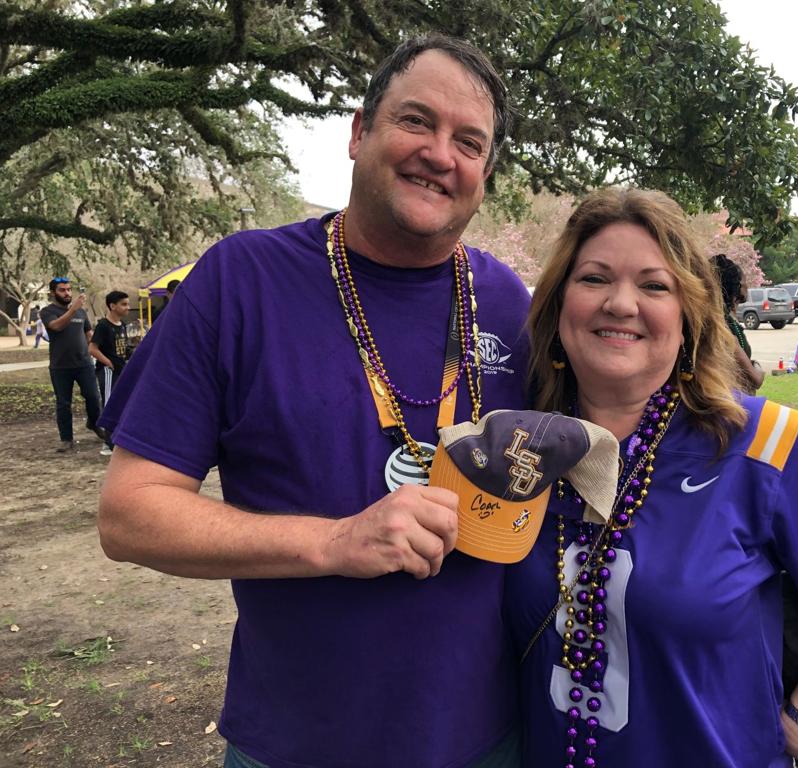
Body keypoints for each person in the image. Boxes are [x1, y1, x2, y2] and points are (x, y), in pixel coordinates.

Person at [96, 35, 530, 768]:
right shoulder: (241, 280)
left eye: (469, 141)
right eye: (416, 121)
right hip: (297, 743)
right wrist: (333, 543)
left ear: (484, 172)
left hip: (491, 738)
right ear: (360, 132)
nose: (439, 153)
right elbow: (129, 514)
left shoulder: (504, 298)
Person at [508, 188, 798, 768]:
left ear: (689, 313)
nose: (621, 303)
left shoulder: (764, 441)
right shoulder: (525, 444)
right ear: (557, 302)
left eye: (654, 285)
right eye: (594, 278)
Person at [40, 277, 105, 452]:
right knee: (63, 403)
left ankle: (94, 423)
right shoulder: (47, 312)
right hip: (60, 366)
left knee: (93, 397)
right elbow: (56, 326)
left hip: (84, 364)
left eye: (69, 289)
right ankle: (66, 439)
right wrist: (72, 310)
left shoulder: (81, 313)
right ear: (53, 293)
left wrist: (101, 352)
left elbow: (89, 335)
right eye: (62, 290)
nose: (67, 293)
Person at [711, 253, 764, 392]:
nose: (747, 285)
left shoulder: (720, 320)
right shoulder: (721, 327)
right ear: (737, 285)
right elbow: (755, 380)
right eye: (745, 280)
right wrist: (756, 367)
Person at [89, 290, 132, 456]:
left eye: (128, 303)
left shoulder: (122, 326)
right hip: (108, 372)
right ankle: (108, 443)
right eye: (123, 304)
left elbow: (122, 349)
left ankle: (117, 438)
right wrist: (108, 362)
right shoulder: (103, 326)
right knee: (109, 405)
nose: (127, 307)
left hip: (121, 371)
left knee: (121, 403)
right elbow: (92, 349)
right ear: (112, 306)